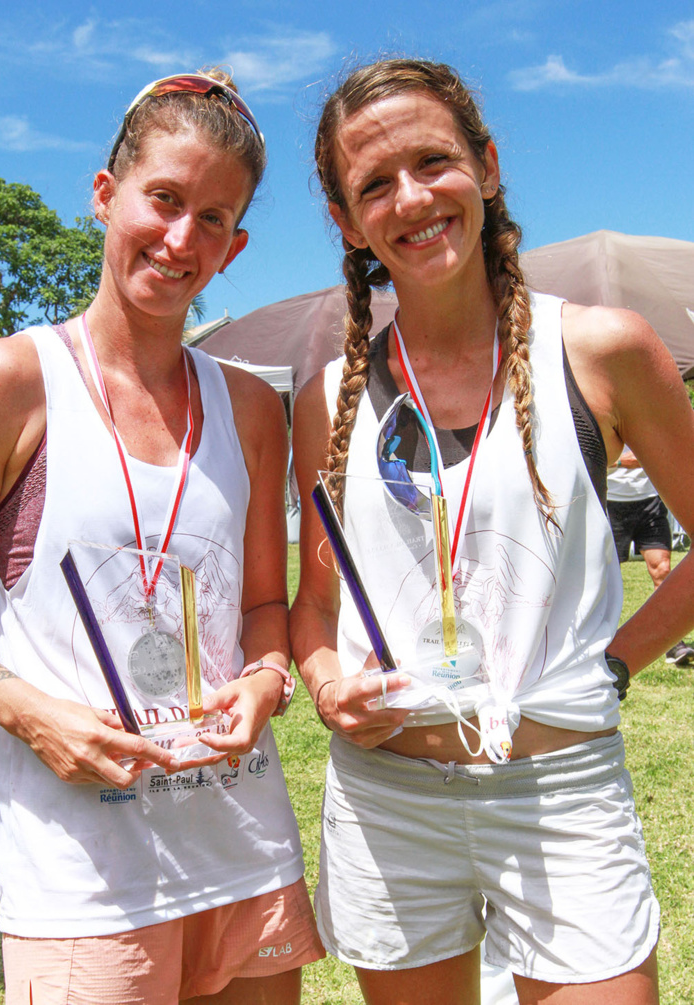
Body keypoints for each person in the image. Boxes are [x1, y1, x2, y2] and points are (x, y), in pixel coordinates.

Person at [0, 69, 323, 1005]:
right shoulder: (12, 380)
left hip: (242, 847)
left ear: (235, 249)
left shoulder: (248, 406)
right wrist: (33, 714)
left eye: (213, 219)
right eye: (164, 199)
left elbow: (266, 604)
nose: (180, 238)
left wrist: (267, 682)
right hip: (87, 876)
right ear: (107, 196)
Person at [290, 57, 694, 1004]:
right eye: (374, 185)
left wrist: (618, 661)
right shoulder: (328, 398)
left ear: (489, 165)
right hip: (388, 800)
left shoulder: (601, 348)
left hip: (560, 795)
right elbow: (315, 602)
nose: (412, 198)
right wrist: (326, 685)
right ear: (348, 223)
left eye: (434, 161)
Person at [608, 446, 694, 665]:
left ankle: (673, 645)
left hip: (649, 503)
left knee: (662, 569)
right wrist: (619, 463)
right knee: (605, 577)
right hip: (611, 501)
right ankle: (599, 644)